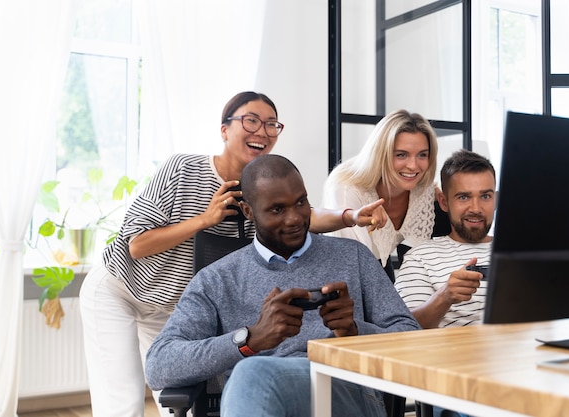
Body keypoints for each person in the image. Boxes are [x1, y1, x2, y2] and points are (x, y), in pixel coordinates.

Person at [79, 91, 386, 417]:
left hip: (171, 302)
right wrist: (205, 220)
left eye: (271, 125)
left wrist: (350, 216)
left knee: (169, 397)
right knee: (122, 401)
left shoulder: (256, 189)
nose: (263, 131)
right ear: (224, 130)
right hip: (122, 288)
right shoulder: (182, 169)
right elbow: (136, 244)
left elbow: (303, 214)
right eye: (251, 120)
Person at [145, 154, 420, 417]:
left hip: (346, 393)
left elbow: (412, 340)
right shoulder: (216, 279)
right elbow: (159, 365)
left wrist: (354, 330)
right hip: (257, 398)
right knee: (253, 373)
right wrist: (248, 340)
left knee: (251, 374)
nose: (295, 218)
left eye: (301, 203)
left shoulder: (354, 256)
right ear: (248, 211)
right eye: (277, 209)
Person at [322, 109, 439, 281]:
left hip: (381, 268)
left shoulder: (423, 188)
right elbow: (353, 266)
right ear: (380, 154)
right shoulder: (346, 188)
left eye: (422, 155)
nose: (414, 166)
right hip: (340, 276)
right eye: (401, 155)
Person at [394, 149, 496, 329]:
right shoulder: (420, 257)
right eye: (463, 197)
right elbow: (404, 328)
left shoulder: (522, 253)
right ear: (443, 201)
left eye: (485, 196)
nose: (476, 208)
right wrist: (445, 296)